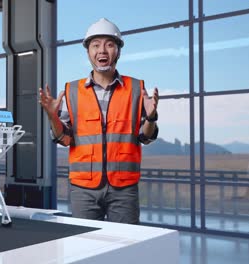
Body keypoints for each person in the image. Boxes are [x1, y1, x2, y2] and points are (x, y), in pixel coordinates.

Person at [39, 18, 159, 224]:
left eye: (109, 44)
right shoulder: (72, 91)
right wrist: (52, 117)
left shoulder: (137, 88)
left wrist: (151, 116)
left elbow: (145, 137)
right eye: (96, 45)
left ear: (118, 51)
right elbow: (64, 139)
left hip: (124, 188)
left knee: (125, 247)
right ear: (88, 52)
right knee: (84, 247)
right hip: (83, 189)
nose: (102, 50)